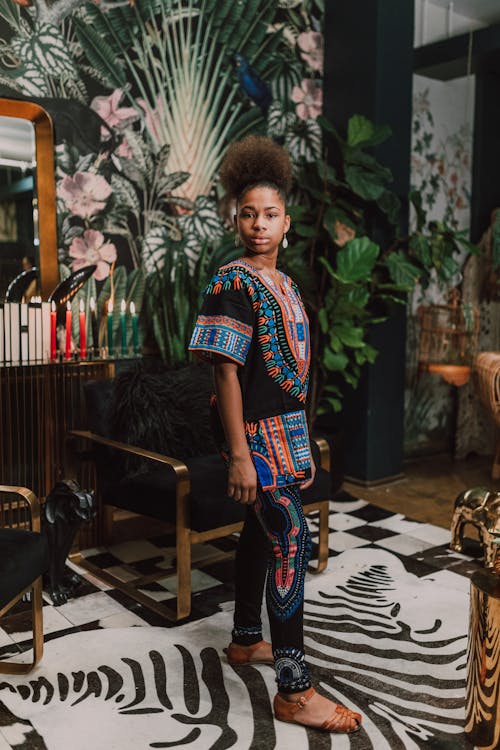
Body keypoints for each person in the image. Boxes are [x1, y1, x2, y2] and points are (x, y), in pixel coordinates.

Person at [189, 135, 362, 734]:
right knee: (291, 538)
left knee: (260, 535)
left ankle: (243, 640)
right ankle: (293, 689)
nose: (258, 225)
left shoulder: (285, 284)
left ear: (287, 221)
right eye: (247, 214)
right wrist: (239, 455)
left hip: (286, 435)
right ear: (235, 218)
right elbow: (225, 370)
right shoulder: (231, 282)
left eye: (270, 215)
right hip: (254, 440)